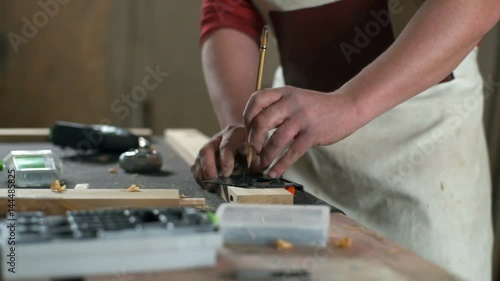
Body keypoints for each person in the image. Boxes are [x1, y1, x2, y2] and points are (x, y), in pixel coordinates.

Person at [192, 1, 500, 280]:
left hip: (424, 143)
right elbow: (230, 9)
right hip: (300, 151)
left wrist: (351, 103)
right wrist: (244, 123)